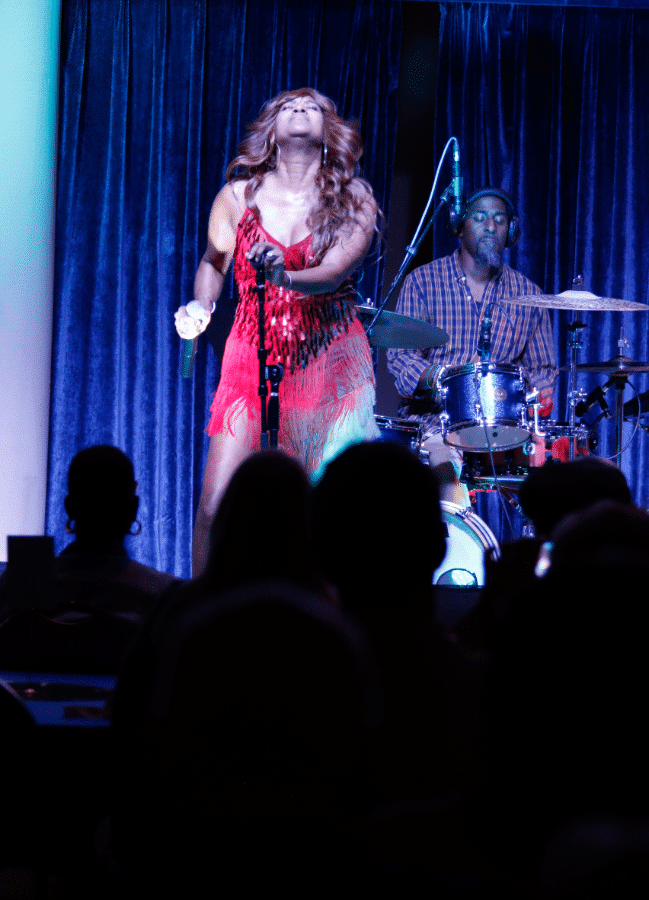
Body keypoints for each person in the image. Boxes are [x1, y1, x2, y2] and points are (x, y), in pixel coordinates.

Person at [175, 88, 381, 575]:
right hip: (251, 352)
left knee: (328, 510)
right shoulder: (237, 196)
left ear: (329, 131)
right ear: (272, 129)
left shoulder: (354, 197)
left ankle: (322, 607)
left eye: (312, 105)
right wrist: (201, 305)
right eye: (289, 105)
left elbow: (332, 274)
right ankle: (203, 603)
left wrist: (282, 276)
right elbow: (213, 262)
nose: (299, 108)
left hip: (329, 356)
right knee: (215, 506)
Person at [387, 187, 556, 504]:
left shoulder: (529, 295)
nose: (491, 226)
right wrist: (441, 377)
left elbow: (544, 369)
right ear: (459, 227)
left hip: (505, 429)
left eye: (500, 219)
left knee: (557, 483)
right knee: (449, 483)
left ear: (511, 232)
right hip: (435, 423)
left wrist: (529, 393)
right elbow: (401, 357)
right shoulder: (422, 282)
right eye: (480, 217)